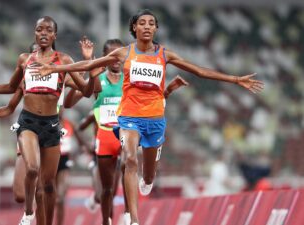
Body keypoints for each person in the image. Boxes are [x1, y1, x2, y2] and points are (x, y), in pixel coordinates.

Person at [29, 9, 264, 225]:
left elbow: (199, 70)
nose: (147, 27)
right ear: (135, 28)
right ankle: (134, 220)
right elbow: (91, 63)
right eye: (142, 23)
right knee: (130, 159)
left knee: (148, 176)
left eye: (152, 23)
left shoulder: (164, 54)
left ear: (156, 29)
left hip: (155, 119)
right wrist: (55, 69)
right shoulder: (124, 53)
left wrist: (235, 79)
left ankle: (147, 179)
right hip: (130, 116)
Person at [0, 16, 99, 225]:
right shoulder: (25, 59)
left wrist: (90, 66)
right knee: (33, 168)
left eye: (48, 30)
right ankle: (28, 213)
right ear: (35, 33)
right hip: (28, 121)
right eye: (39, 29)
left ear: (55, 35)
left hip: (52, 125)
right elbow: (11, 87)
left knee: (48, 185)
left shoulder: (65, 61)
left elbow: (87, 92)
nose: (43, 33)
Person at [63, 38, 189, 225]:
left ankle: (129, 214)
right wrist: (84, 74)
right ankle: (104, 214)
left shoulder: (131, 79)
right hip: (104, 138)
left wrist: (169, 88)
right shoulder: (97, 80)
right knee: (106, 191)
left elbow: (152, 101)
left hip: (125, 132)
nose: (116, 60)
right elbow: (69, 103)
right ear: (106, 57)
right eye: (111, 55)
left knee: (128, 162)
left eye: (118, 55)